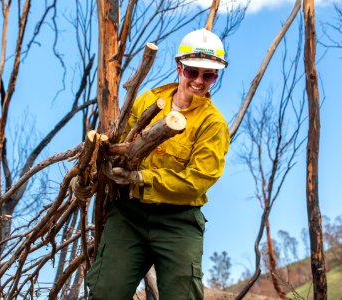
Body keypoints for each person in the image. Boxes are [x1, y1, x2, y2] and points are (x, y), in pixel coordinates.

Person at [72, 28, 230, 300]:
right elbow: (115, 147)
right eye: (193, 72)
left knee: (182, 296)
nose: (199, 81)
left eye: (208, 75)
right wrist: (87, 176)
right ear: (179, 67)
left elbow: (197, 181)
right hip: (130, 213)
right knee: (105, 291)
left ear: (215, 76)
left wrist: (143, 178)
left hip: (178, 220)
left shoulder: (213, 124)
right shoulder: (148, 100)